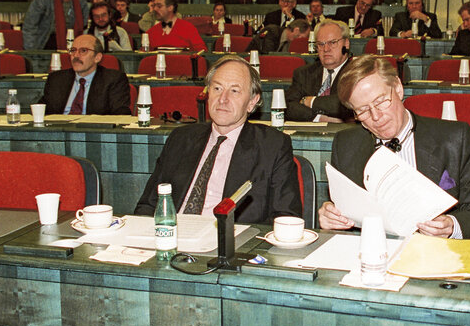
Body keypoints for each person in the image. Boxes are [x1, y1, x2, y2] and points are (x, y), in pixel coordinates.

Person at [318, 55, 470, 239]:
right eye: (362, 110)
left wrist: (451, 225)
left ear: (398, 88)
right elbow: (343, 212)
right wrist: (330, 218)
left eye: (380, 102)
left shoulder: (454, 138)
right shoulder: (345, 144)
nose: (376, 116)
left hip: (434, 256)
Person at [134, 56, 302, 222]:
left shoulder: (272, 146)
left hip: (229, 242)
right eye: (217, 89)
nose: (223, 99)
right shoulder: (180, 139)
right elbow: (148, 206)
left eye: (234, 91)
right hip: (173, 237)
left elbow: (286, 217)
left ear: (252, 102)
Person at [40, 34, 131, 115]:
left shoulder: (113, 80)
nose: (76, 55)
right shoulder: (56, 79)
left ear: (97, 57)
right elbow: (41, 110)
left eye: (83, 51)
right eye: (73, 50)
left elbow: (121, 115)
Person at [285, 20, 354, 122]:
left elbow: (347, 104)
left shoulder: (356, 72)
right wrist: (318, 118)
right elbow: (288, 106)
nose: (326, 49)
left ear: (346, 44)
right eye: (321, 44)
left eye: (332, 42)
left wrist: (310, 101)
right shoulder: (304, 73)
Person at [23, 0, 90, 50]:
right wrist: (31, 51)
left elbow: (84, 21)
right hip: (45, 40)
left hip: (72, 39)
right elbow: (30, 25)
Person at [246, 18, 310, 54]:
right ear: (296, 30)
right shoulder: (271, 31)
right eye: (301, 37)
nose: (300, 39)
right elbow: (268, 55)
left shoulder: (289, 41)